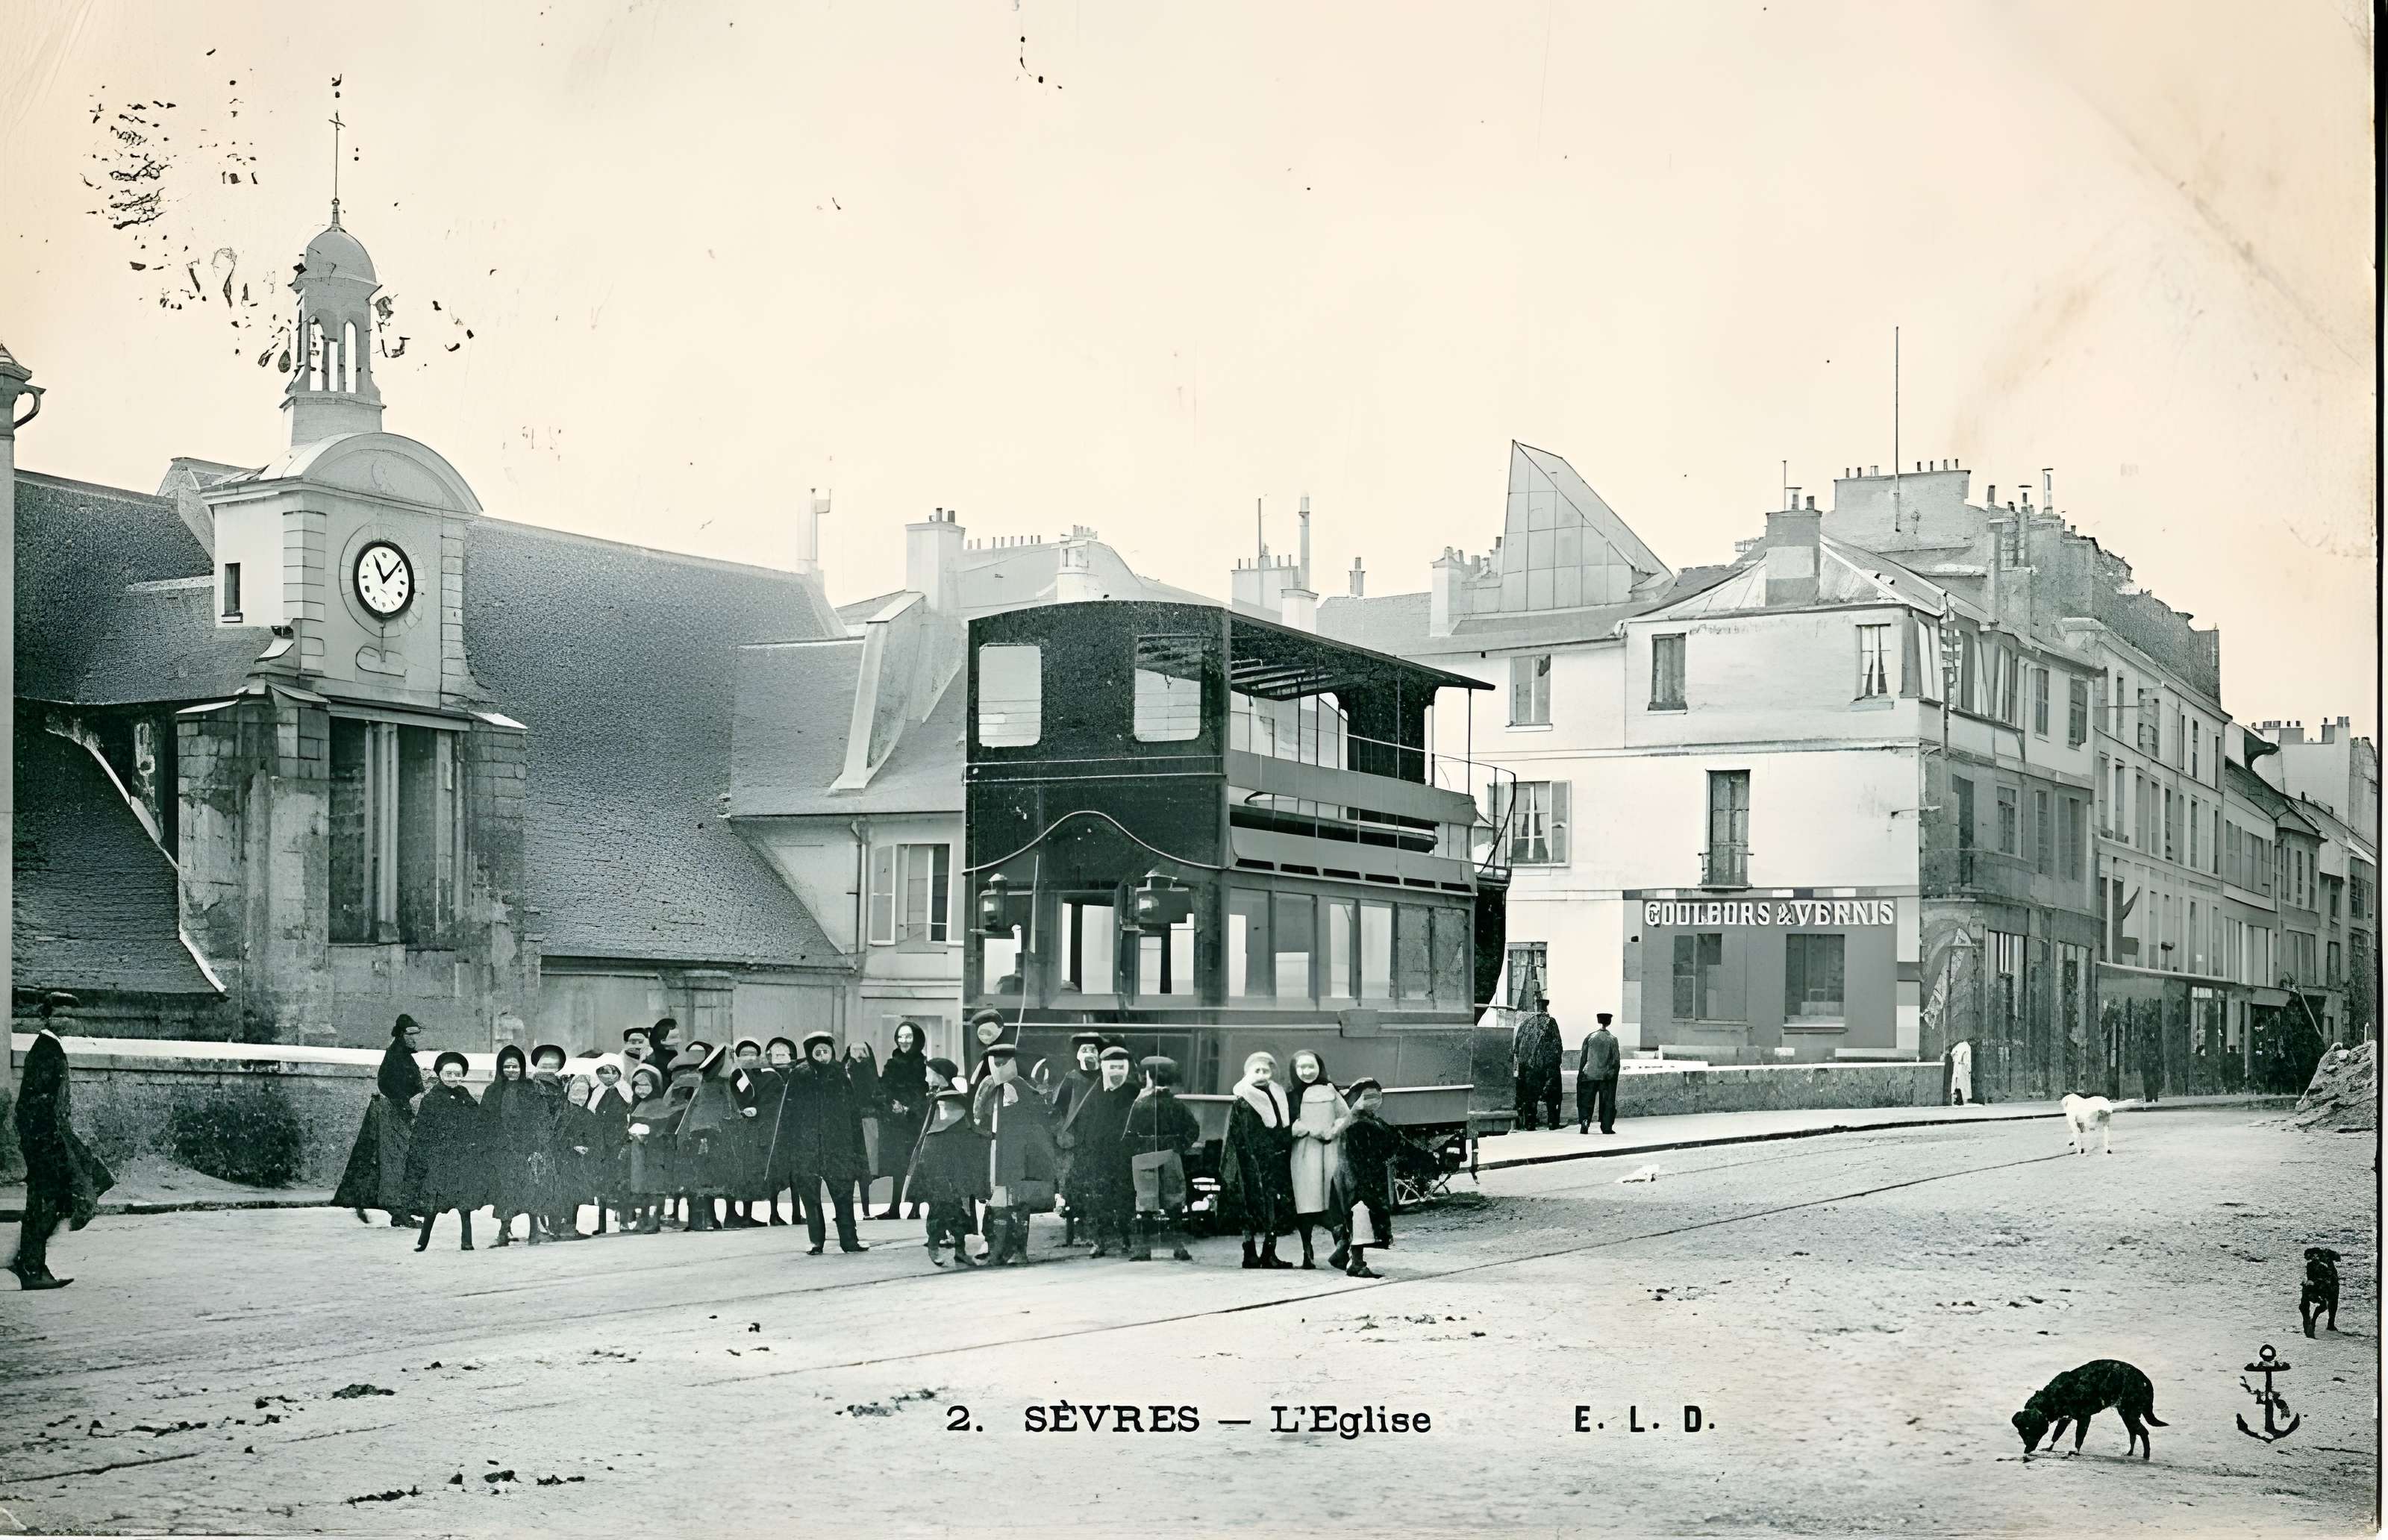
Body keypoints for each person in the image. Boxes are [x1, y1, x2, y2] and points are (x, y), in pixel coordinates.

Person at [8, 992, 113, 1289]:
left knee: (72, 1191)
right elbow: (37, 1106)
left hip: (50, 1138)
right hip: (45, 1140)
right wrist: (50, 1148)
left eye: (72, 1016)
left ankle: (29, 1262)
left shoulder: (51, 1048)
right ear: (48, 1016)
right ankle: (30, 1267)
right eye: (61, 1014)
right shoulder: (45, 1050)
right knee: (46, 1203)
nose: (69, 1021)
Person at [971, 1043, 1058, 1265]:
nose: (1000, 1067)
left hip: (1016, 1153)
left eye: (1004, 1063)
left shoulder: (1021, 1086)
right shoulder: (987, 1085)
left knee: (1018, 1204)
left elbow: (1034, 1119)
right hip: (993, 1151)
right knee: (995, 1203)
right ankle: (995, 1249)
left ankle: (1018, 1250)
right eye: (996, 1063)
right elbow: (978, 1115)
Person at [335, 1014, 425, 1228]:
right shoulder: (395, 1056)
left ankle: (397, 1211)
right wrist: (404, 1104)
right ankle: (399, 1212)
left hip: (397, 1112)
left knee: (394, 1163)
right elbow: (386, 1083)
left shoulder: (402, 1055)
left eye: (416, 1035)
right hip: (393, 1114)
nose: (414, 1039)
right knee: (396, 1163)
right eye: (409, 1035)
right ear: (401, 1035)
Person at [786, 1032, 869, 1255]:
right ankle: (816, 1241)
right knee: (810, 1195)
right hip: (808, 1145)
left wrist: (853, 1144)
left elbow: (852, 1111)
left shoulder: (839, 1074)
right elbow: (788, 1113)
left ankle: (849, 1240)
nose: (822, 1057)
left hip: (838, 1144)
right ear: (810, 1054)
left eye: (826, 1052)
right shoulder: (799, 1075)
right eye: (818, 1053)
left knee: (843, 1192)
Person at [1060, 1045, 1140, 1257]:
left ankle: (1127, 1240)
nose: (1115, 1072)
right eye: (1111, 1067)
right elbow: (1082, 1125)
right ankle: (1100, 1242)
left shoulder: (1134, 1092)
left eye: (1120, 1067)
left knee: (1125, 1201)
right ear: (1103, 1067)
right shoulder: (1094, 1093)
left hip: (1125, 1158)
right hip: (1098, 1158)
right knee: (1098, 1201)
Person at [1220, 1050, 1297, 1269]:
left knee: (1271, 1208)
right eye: (1257, 1070)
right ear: (1248, 1073)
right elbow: (1247, 1136)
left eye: (1266, 1070)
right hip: (1251, 1163)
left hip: (1270, 1161)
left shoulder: (1276, 1093)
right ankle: (1251, 1254)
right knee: (1251, 1207)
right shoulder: (1244, 1099)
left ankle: (1268, 1253)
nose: (1262, 1074)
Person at [1123, 1055, 1200, 1262]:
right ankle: (1179, 1248)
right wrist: (1178, 1147)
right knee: (1175, 1203)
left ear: (1147, 1076)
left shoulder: (1140, 1104)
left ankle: (1143, 1251)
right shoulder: (1177, 1104)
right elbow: (1193, 1129)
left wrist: (1135, 1150)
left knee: (1146, 1205)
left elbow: (1128, 1135)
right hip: (1170, 1157)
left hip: (1144, 1157)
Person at [903, 1086, 990, 1267]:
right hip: (940, 1189)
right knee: (938, 1218)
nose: (947, 1110)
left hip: (956, 1187)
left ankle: (960, 1252)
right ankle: (934, 1249)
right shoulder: (933, 1136)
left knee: (959, 1220)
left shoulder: (962, 1130)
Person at [408, 1052, 485, 1253]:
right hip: (440, 1159)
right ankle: (423, 1240)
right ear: (440, 1074)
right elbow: (422, 1131)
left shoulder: (465, 1096)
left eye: (457, 1074)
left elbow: (477, 1123)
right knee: (433, 1203)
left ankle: (466, 1240)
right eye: (448, 1073)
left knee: (464, 1203)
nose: (453, 1078)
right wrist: (424, 1156)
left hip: (462, 1158)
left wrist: (474, 1144)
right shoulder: (431, 1099)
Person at [1284, 1048, 1351, 1270]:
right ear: (1294, 1070)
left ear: (1319, 1067)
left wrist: (1333, 1131)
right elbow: (1285, 1124)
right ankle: (1307, 1250)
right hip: (1304, 1154)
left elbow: (1346, 1117)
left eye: (1311, 1066)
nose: (1307, 1071)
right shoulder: (1291, 1096)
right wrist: (1299, 1129)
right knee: (1306, 1200)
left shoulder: (1331, 1092)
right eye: (1301, 1067)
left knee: (1332, 1197)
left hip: (1330, 1151)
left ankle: (1341, 1247)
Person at [480, 1045, 546, 1246]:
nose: (511, 1070)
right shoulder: (492, 1091)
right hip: (502, 1149)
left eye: (515, 1066)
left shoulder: (531, 1089)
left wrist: (536, 1146)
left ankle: (534, 1230)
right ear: (501, 1068)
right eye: (507, 1066)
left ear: (522, 1067)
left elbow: (539, 1119)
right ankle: (504, 1230)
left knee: (530, 1188)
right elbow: (485, 1120)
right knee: (505, 1189)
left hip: (526, 1147)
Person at [1334, 1077, 1399, 1277]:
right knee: (1361, 1221)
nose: (1375, 1101)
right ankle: (1357, 1263)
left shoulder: (1362, 1119)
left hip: (1358, 1179)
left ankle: (1345, 1253)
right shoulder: (1360, 1123)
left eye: (1377, 1096)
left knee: (1357, 1221)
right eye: (1369, 1097)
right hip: (1360, 1181)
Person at [1046, 1032, 1106, 1248]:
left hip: (1101, 1139)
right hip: (1076, 1141)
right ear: (1078, 1056)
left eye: (1093, 1050)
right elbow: (1056, 1111)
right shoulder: (1071, 1079)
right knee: (1077, 1183)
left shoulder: (1106, 1078)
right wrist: (1062, 1132)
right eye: (1084, 1050)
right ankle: (1079, 1225)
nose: (1089, 1054)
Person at [875, 1022, 931, 1221]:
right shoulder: (892, 1063)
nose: (904, 1041)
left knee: (915, 1164)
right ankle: (895, 1207)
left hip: (915, 1122)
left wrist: (909, 1109)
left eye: (908, 1037)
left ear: (917, 1039)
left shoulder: (923, 1065)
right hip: (896, 1123)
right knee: (897, 1166)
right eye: (900, 1037)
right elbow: (882, 1089)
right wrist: (892, 1104)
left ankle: (915, 1206)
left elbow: (925, 1093)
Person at [583, 1055, 637, 1236]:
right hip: (600, 1143)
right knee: (602, 1183)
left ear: (619, 1073)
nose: (608, 1075)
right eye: (604, 1071)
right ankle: (602, 1223)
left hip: (619, 1142)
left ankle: (625, 1221)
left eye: (612, 1071)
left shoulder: (625, 1092)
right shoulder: (595, 1092)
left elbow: (630, 1115)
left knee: (622, 1183)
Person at [757, 1038, 804, 1228]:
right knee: (775, 1174)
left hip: (789, 1128)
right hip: (772, 1129)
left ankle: (795, 1212)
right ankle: (775, 1213)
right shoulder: (768, 1077)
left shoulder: (792, 1076)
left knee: (794, 1174)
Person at [550, 1075, 601, 1241]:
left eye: (584, 1092)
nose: (580, 1096)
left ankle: (570, 1227)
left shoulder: (589, 1115)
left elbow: (595, 1138)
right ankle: (558, 1227)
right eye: (576, 1091)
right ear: (569, 1091)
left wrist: (588, 1148)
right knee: (561, 1194)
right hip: (562, 1161)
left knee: (574, 1195)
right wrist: (572, 1145)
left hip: (578, 1163)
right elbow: (555, 1137)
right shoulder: (561, 1112)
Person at [845, 1039, 886, 1217]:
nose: (859, 1054)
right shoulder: (846, 1071)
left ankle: (865, 1209)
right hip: (852, 1121)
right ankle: (851, 1210)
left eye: (862, 1050)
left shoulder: (867, 1071)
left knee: (866, 1166)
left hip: (867, 1121)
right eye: (855, 1050)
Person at [1513, 996, 1563, 1130]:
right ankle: (1553, 1122)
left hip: (1529, 1068)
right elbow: (1557, 1046)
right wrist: (1556, 1064)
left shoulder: (1525, 1023)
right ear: (1546, 1007)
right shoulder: (1551, 1022)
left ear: (1536, 1007)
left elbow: (1517, 1047)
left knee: (1530, 1097)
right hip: (1547, 1067)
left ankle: (1530, 1123)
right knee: (1554, 1094)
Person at [1576, 1012, 1622, 1135]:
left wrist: (1581, 1075)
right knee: (1607, 1102)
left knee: (1587, 1101)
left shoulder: (1590, 1037)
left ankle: (1585, 1123)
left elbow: (1583, 1058)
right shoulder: (1613, 1039)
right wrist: (1612, 1075)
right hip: (1605, 1077)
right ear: (1609, 1022)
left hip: (1589, 1074)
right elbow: (1616, 1061)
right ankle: (1606, 1127)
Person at [966, 1010, 1010, 1086]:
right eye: (981, 1033)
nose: (985, 1037)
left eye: (989, 1033)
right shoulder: (986, 1054)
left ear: (1001, 1030)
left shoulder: (1002, 1055)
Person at [1948, 1037, 1975, 1107]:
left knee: (1957, 1083)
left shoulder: (1959, 1045)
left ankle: (1958, 1099)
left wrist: (1956, 1059)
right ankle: (1961, 1100)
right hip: (1963, 1067)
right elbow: (1968, 1060)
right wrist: (1969, 1069)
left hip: (1957, 1065)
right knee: (1963, 1084)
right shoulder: (1968, 1047)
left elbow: (1952, 1053)